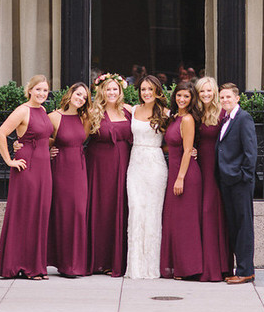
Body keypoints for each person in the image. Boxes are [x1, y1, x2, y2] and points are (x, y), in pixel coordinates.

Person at [0, 75, 53, 280]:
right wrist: (10, 160)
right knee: (26, 215)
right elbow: (1, 134)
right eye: (38, 90)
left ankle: (36, 265)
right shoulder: (22, 110)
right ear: (29, 90)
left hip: (44, 169)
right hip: (27, 168)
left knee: (40, 215)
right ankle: (25, 266)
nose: (42, 94)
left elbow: (42, 137)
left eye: (45, 90)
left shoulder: (43, 110)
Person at [86, 73, 132, 277]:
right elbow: (77, 136)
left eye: (115, 89)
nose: (112, 92)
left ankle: (117, 260)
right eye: (108, 88)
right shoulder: (92, 112)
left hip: (125, 164)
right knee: (100, 209)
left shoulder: (130, 111)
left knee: (120, 208)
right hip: (98, 165)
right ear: (101, 91)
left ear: (121, 91)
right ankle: (98, 260)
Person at [125, 75, 169, 279]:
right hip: (135, 164)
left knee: (152, 213)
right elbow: (106, 104)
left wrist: (190, 150)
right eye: (143, 89)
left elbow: (175, 139)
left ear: (157, 91)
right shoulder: (132, 110)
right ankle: (134, 267)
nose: (146, 93)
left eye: (150, 89)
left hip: (155, 164)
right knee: (135, 211)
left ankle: (151, 267)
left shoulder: (166, 113)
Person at [47, 82, 91, 278]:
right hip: (61, 169)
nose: (80, 98)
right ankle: (64, 264)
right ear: (71, 93)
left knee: (79, 213)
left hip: (80, 169)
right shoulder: (54, 117)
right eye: (78, 94)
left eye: (84, 97)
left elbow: (84, 139)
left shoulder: (85, 117)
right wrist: (48, 152)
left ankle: (76, 264)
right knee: (63, 214)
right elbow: (41, 139)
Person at [160, 81, 203, 279]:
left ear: (192, 99)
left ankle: (189, 268)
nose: (182, 99)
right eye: (179, 95)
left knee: (186, 223)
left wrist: (180, 178)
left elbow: (187, 150)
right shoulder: (174, 117)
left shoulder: (187, 119)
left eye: (186, 96)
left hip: (185, 175)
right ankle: (178, 266)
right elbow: (171, 146)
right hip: (174, 173)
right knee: (175, 222)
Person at [216, 82, 257, 284]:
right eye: (222, 97)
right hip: (227, 181)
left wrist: (244, 176)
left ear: (237, 98)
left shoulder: (243, 118)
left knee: (243, 226)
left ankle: (246, 271)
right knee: (234, 226)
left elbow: (251, 152)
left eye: (228, 97)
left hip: (240, 182)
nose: (225, 100)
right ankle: (239, 268)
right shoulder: (225, 119)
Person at [195, 76, 232, 282]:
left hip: (218, 168)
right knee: (202, 212)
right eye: (202, 91)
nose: (206, 94)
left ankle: (218, 267)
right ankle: (204, 265)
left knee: (213, 211)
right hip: (200, 166)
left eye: (209, 91)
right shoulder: (197, 112)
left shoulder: (224, 112)